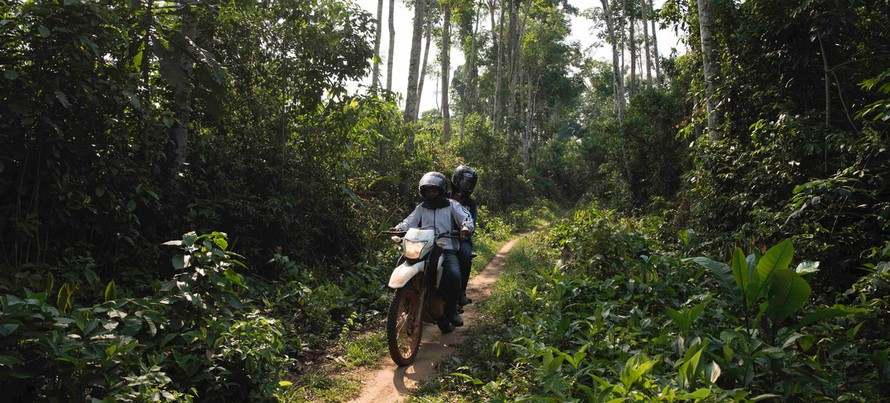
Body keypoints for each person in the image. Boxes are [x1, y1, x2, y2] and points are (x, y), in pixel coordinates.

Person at [392, 172, 474, 327]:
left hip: (446, 248)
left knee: (455, 276)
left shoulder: (452, 205)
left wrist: (465, 228)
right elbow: (408, 222)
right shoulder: (421, 208)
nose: (430, 193)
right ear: (422, 192)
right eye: (427, 190)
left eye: (434, 190)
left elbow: (466, 218)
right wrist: (397, 228)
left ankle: (451, 312)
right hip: (424, 248)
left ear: (441, 190)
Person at [450, 166, 478, 307]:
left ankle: (461, 292)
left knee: (466, 256)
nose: (464, 185)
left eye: (468, 183)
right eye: (462, 182)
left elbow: (472, 221)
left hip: (462, 239)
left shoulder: (471, 204)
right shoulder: (443, 197)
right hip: (440, 237)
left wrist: (465, 232)